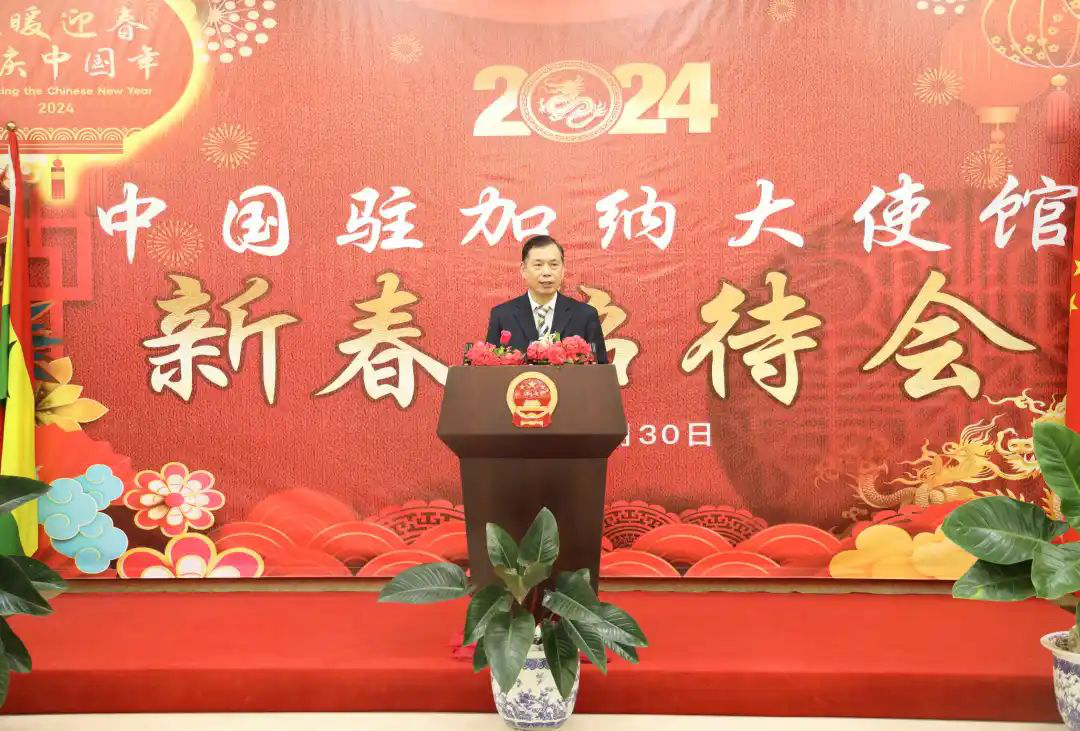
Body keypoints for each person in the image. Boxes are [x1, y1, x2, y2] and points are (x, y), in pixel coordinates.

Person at [485, 234, 608, 363]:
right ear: (523, 269)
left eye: (554, 265)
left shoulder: (585, 315)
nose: (546, 272)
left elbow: (600, 369)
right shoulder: (502, 316)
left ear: (563, 269)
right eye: (538, 265)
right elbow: (490, 368)